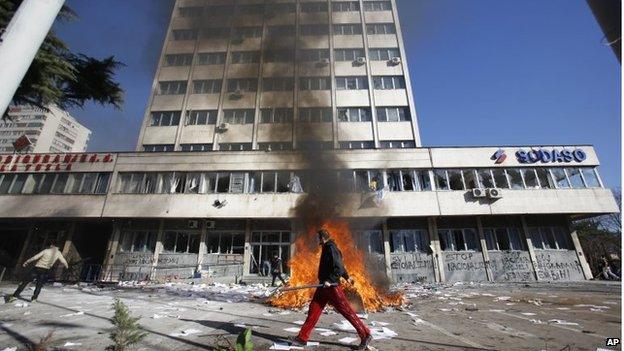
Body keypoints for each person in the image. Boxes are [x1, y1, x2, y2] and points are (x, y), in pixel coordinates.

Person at [291, 229, 372, 350]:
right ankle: (302, 338)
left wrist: (330, 279)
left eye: (317, 238)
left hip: (332, 287)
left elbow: (338, 267)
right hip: (323, 287)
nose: (316, 240)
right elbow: (340, 266)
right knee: (313, 310)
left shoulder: (330, 248)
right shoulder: (327, 248)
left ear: (322, 238)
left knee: (347, 311)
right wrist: (347, 277)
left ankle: (365, 334)